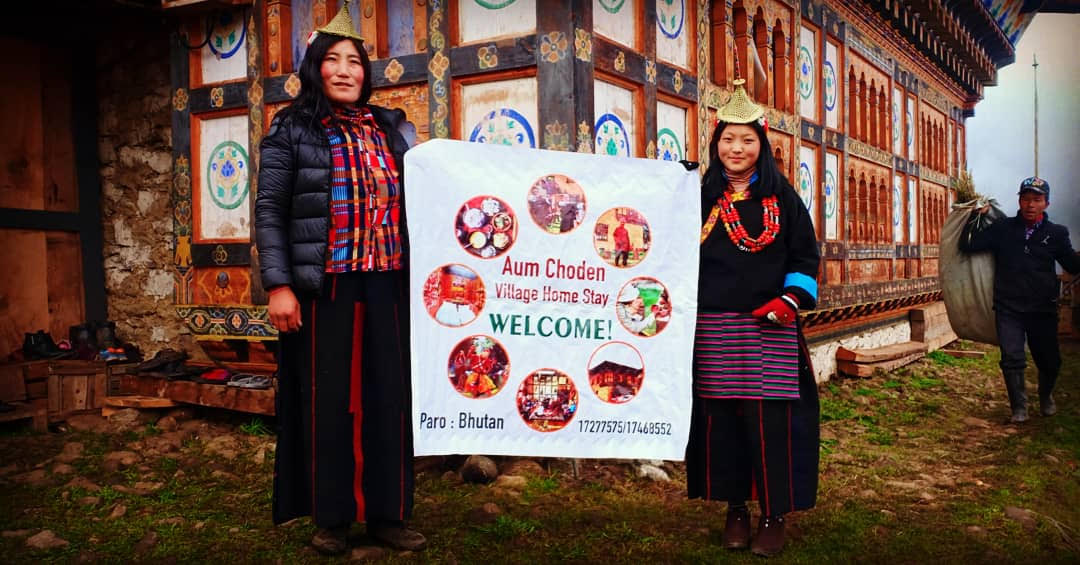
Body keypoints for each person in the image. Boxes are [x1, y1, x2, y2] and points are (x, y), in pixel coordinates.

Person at [253, 1, 425, 555]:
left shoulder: (391, 128)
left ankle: (388, 514)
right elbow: (270, 209)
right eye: (334, 60)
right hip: (325, 287)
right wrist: (278, 285)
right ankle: (332, 517)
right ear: (315, 68)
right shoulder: (294, 128)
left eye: (356, 61)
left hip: (387, 285)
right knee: (331, 402)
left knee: (388, 399)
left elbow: (430, 194)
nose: (347, 70)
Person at [685, 80, 821, 558]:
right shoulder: (697, 198)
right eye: (726, 139)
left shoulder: (783, 199)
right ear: (714, 143)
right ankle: (736, 509)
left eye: (746, 140)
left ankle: (774, 515)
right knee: (722, 422)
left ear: (761, 145)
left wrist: (790, 300)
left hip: (770, 330)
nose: (735, 148)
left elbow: (806, 258)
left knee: (771, 424)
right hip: (714, 329)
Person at [960, 176, 1080, 422]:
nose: (1030, 205)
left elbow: (1072, 265)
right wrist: (976, 216)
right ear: (1019, 200)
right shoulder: (1003, 229)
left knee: (1050, 362)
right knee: (1012, 357)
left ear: (1046, 203)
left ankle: (1046, 396)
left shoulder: (1056, 233)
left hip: (1042, 309)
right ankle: (1019, 409)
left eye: (1037, 200)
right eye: (1026, 199)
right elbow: (968, 245)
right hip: (1009, 306)